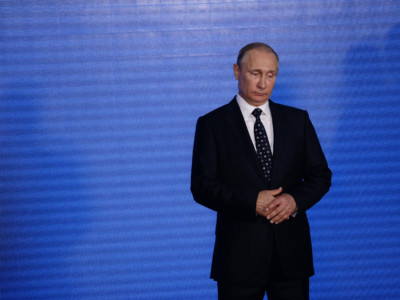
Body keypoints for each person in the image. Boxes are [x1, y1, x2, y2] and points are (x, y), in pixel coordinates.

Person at [190, 42, 332, 300]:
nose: (263, 83)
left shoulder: (297, 120)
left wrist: (294, 200)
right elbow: (202, 186)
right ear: (236, 71)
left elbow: (320, 175)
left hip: (291, 257)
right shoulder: (212, 125)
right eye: (255, 73)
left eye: (271, 75)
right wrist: (251, 201)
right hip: (238, 259)